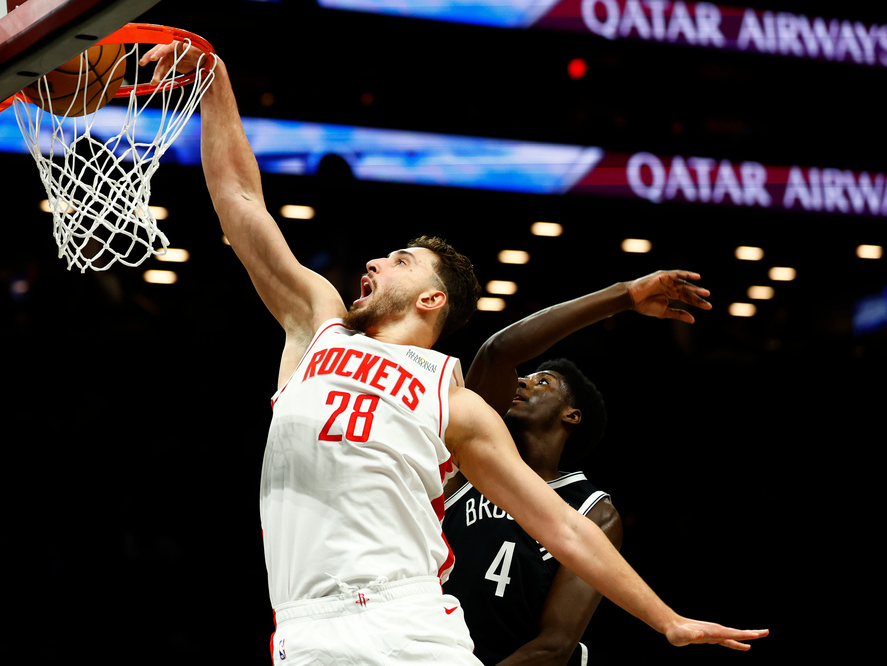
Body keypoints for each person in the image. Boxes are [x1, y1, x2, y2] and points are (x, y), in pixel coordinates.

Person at [140, 41, 768, 664]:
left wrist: (668, 621)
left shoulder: (455, 399)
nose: (375, 262)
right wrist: (215, 80)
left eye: (400, 261)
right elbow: (241, 201)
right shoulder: (318, 325)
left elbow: (564, 526)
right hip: (306, 632)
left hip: (407, 624)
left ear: (432, 300)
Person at [442, 273, 707, 665]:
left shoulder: (594, 511)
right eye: (525, 376)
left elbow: (555, 644)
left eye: (542, 381)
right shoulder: (469, 459)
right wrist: (623, 295)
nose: (523, 382)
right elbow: (497, 353)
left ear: (572, 415)